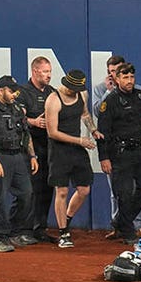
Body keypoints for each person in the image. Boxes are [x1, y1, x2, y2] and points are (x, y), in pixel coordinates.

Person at [97, 62, 141, 244]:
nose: (129, 81)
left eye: (132, 77)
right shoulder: (110, 102)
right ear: (117, 79)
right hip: (121, 153)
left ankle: (120, 222)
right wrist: (104, 157)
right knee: (124, 193)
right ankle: (127, 232)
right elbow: (102, 133)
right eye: (125, 77)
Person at [0, 75, 39, 252]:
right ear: (1, 90)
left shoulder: (17, 108)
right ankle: (1, 238)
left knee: (26, 193)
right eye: (11, 91)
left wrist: (32, 156)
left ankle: (15, 231)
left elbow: (25, 134)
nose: (14, 94)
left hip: (17, 156)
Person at [44, 69, 97, 248]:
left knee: (84, 190)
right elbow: (53, 132)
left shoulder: (82, 94)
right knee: (62, 191)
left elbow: (84, 114)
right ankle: (63, 232)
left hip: (77, 149)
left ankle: (66, 219)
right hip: (59, 150)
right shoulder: (53, 100)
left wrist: (93, 130)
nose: (75, 90)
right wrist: (80, 140)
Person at [15, 56, 56, 243]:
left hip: (50, 147)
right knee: (29, 190)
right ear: (34, 71)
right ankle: (24, 229)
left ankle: (40, 228)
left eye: (50, 71)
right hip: (29, 148)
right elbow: (16, 117)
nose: (49, 75)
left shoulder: (52, 92)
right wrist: (34, 121)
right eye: (45, 72)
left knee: (47, 189)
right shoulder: (22, 93)